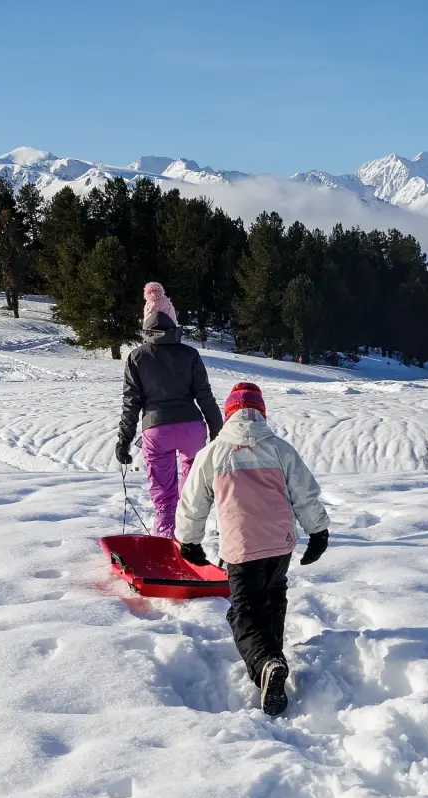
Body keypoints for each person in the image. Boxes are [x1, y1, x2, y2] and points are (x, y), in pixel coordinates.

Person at [176, 382, 329, 716]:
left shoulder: (213, 453)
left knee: (244, 610)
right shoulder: (279, 448)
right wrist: (318, 532)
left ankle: (265, 662)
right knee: (274, 595)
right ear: (261, 413)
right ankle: (274, 656)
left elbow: (192, 502)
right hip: (279, 545)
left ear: (229, 413)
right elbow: (305, 493)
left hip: (242, 547)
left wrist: (189, 542)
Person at [116, 281, 223, 539]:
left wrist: (124, 440)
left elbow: (132, 402)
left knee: (165, 497)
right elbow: (205, 396)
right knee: (192, 492)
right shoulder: (190, 355)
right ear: (173, 320)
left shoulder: (136, 357)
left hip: (156, 430)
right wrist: (218, 433)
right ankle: (190, 544)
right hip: (192, 429)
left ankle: (166, 545)